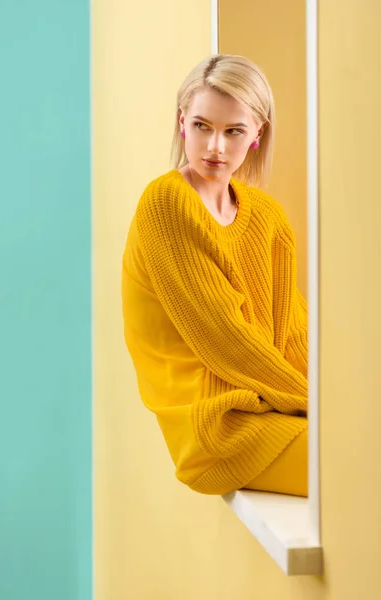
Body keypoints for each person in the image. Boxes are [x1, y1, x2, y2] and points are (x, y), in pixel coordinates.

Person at [121, 54, 308, 497]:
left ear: (257, 134)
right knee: (358, 468)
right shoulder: (165, 204)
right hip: (217, 428)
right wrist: (315, 407)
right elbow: (225, 340)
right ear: (182, 122)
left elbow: (293, 331)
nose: (215, 147)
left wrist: (339, 407)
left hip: (269, 406)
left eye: (234, 131)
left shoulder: (266, 216)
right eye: (202, 126)